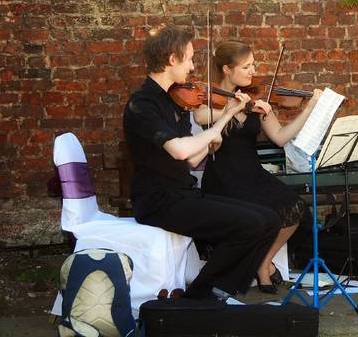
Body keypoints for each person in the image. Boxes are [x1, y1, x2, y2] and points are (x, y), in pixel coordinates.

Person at [123, 26, 280, 300]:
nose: (194, 67)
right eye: (190, 59)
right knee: (251, 224)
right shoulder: (143, 104)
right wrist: (218, 126)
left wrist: (224, 119)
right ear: (172, 59)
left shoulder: (177, 102)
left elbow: (194, 158)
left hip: (183, 193)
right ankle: (199, 296)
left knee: (269, 219)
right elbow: (181, 151)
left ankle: (217, 291)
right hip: (158, 201)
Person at [195, 40, 322, 294]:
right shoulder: (211, 99)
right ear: (227, 70)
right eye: (246, 66)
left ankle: (263, 263)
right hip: (223, 177)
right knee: (264, 214)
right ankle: (257, 268)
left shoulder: (255, 98)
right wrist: (234, 108)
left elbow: (280, 136)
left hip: (252, 173)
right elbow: (200, 117)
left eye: (254, 65)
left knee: (295, 207)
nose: (253, 71)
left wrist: (308, 109)